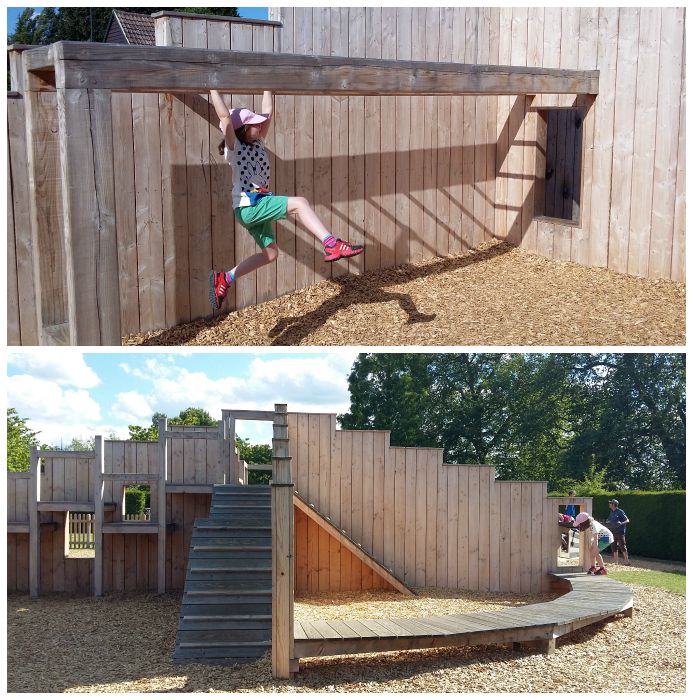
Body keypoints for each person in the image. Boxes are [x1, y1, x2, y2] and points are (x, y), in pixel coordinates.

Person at [207, 89, 365, 310]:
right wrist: (213, 87)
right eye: (254, 124)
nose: (261, 126)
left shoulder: (258, 143)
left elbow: (268, 113)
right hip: (249, 206)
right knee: (300, 203)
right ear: (241, 129)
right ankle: (331, 244)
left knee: (270, 254)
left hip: (255, 206)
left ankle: (225, 278)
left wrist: (268, 89)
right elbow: (224, 117)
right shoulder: (235, 148)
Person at [605, 498, 630, 566]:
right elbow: (609, 520)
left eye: (610, 503)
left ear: (613, 504)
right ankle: (616, 562)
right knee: (613, 546)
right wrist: (607, 522)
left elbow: (627, 520)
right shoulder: (611, 512)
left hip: (620, 532)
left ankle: (627, 561)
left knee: (622, 546)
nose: (609, 504)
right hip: (613, 531)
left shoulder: (620, 511)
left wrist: (621, 523)